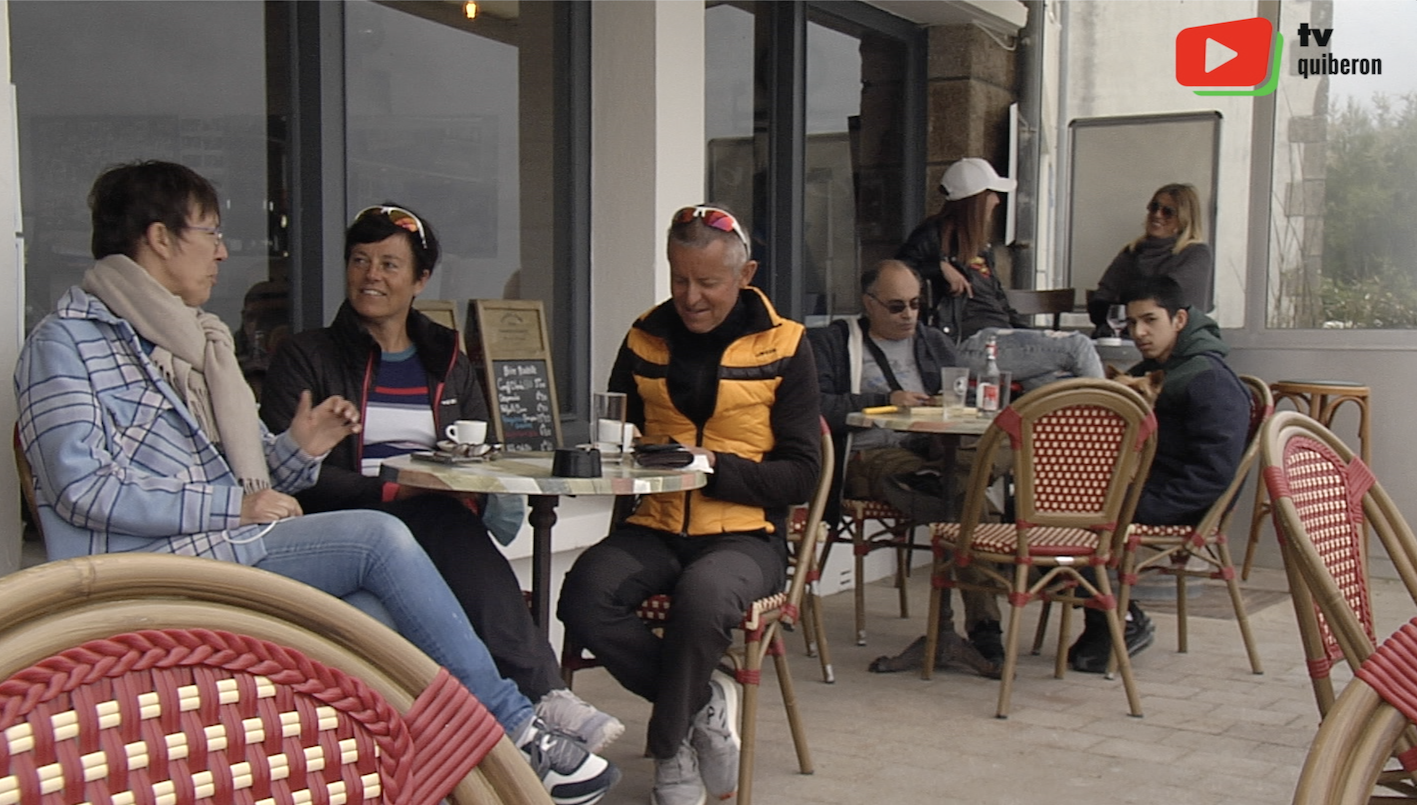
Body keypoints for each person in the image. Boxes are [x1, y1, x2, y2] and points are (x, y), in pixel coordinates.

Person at [14, 162, 618, 805]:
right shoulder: (67, 344)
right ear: (160, 238)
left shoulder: (194, 343)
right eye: (210, 232)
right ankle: (512, 728)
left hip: (213, 548)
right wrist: (236, 503)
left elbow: (239, 472)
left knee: (375, 622)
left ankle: (418, 780)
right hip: (146, 569)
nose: (222, 251)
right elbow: (84, 487)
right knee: (378, 538)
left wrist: (297, 451)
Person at [260, 203, 623, 755]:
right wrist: (394, 491)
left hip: (432, 518)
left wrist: (456, 482)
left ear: (420, 279)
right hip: (339, 522)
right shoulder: (307, 356)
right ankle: (541, 694)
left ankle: (531, 707)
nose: (371, 276)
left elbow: (476, 452)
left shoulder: (445, 358)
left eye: (389, 264)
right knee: (440, 519)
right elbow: (291, 475)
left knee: (444, 519)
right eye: (360, 261)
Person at [557, 204, 821, 805]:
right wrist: (614, 454)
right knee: (582, 596)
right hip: (652, 525)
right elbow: (613, 432)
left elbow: (801, 475)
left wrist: (710, 467)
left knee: (703, 600)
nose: (691, 297)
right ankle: (703, 705)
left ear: (744, 273)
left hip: (744, 535)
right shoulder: (644, 335)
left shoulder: (786, 345)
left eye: (709, 283)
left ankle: (669, 751)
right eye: (679, 279)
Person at [806, 259, 1003, 666]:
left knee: (998, 451)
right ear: (869, 303)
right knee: (964, 501)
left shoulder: (933, 342)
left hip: (932, 450)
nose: (909, 315)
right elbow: (815, 407)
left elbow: (966, 399)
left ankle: (955, 478)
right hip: (868, 455)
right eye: (897, 306)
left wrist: (946, 408)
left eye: (916, 304)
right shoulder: (833, 342)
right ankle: (988, 625)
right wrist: (883, 402)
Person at [1067, 275, 1250, 673]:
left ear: (1180, 320)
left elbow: (1213, 474)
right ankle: (1107, 615)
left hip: (1182, 503)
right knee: (1046, 507)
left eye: (1150, 320)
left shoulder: (1210, 380)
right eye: (1132, 323)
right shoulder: (1152, 370)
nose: (1140, 332)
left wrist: (1135, 505)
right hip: (1142, 490)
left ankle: (1120, 620)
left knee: (1073, 520)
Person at [896, 156, 1104, 391]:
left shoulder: (981, 248)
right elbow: (895, 274)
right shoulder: (933, 234)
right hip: (968, 342)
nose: (997, 201)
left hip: (998, 339)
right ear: (974, 200)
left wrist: (1036, 337)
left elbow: (1002, 308)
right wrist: (938, 267)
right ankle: (1113, 420)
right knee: (1078, 346)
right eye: (991, 193)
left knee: (1056, 387)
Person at [1088, 183, 1213, 336]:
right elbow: (1101, 300)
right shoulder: (1133, 251)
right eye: (1154, 207)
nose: (1157, 214)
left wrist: (1124, 305)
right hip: (1126, 337)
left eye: (1168, 212)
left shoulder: (1196, 253)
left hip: (1176, 343)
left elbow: (1164, 296)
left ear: (1184, 219)